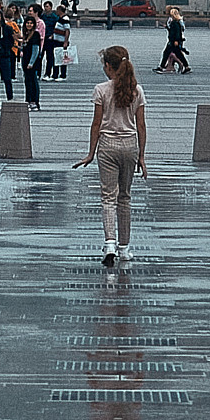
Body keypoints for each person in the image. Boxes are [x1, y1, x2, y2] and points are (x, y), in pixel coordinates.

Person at [74, 44, 147, 267]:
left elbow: (96, 124)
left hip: (107, 145)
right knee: (125, 197)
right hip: (130, 145)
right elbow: (141, 125)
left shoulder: (101, 90)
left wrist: (90, 153)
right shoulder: (137, 90)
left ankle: (110, 244)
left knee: (108, 197)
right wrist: (141, 157)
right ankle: (124, 248)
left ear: (108, 67)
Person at [0, 8, 19, 105]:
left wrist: (6, 49)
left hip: (4, 56)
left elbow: (11, 41)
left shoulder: (7, 28)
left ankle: (9, 98)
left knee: (7, 78)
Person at [22, 7, 45, 109]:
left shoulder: (35, 34)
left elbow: (36, 50)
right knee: (27, 81)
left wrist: (31, 62)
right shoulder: (26, 34)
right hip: (25, 61)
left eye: (31, 23)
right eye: (27, 23)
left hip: (32, 62)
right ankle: (28, 100)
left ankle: (34, 101)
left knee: (33, 81)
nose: (29, 25)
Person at [158, 6, 191, 73]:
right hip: (173, 40)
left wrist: (176, 40)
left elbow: (177, 33)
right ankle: (186, 66)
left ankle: (161, 67)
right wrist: (167, 27)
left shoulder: (175, 23)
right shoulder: (176, 22)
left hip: (173, 41)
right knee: (176, 54)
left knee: (168, 53)